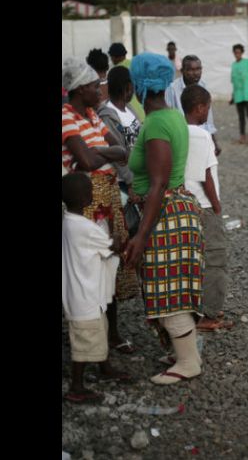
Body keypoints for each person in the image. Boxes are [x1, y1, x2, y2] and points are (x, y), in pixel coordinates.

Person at [125, 52, 204, 385]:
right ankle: (184, 353)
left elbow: (158, 182)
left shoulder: (157, 123)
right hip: (177, 210)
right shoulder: (172, 115)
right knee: (174, 286)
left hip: (165, 215)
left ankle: (188, 362)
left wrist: (141, 236)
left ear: (138, 84)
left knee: (167, 289)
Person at [62, 57, 140, 355]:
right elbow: (85, 161)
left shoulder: (93, 115)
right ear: (80, 89)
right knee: (91, 267)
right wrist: (105, 153)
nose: (100, 90)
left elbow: (123, 150)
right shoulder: (66, 116)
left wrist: (99, 152)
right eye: (96, 86)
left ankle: (110, 334)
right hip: (86, 200)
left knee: (111, 263)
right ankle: (93, 337)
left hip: (108, 196)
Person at [62, 173, 131, 403]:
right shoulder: (84, 227)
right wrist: (116, 235)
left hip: (80, 294)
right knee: (85, 342)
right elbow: (112, 247)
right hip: (86, 297)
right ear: (85, 199)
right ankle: (76, 387)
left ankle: (105, 367)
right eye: (91, 191)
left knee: (98, 331)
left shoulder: (68, 221)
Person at [182, 84, 234, 333]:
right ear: (200, 108)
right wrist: (217, 205)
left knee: (195, 258)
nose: (208, 113)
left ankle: (197, 307)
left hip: (188, 203)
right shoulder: (202, 136)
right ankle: (210, 314)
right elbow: (206, 176)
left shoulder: (180, 131)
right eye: (208, 108)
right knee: (215, 259)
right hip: (205, 204)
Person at [97, 66, 142, 201]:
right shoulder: (108, 116)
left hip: (139, 176)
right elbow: (117, 153)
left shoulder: (128, 108)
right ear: (127, 87)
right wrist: (130, 182)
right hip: (125, 182)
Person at [166, 55, 220, 156]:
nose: (196, 73)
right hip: (182, 139)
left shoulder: (203, 86)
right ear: (182, 71)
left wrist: (214, 142)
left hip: (202, 138)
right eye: (191, 70)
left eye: (198, 69)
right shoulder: (172, 89)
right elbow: (169, 117)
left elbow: (209, 119)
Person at [108, 42, 146, 122]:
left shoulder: (116, 72)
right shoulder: (135, 65)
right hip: (143, 110)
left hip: (129, 112)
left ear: (114, 57)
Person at [231, 43, 248, 146]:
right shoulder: (233, 65)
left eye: (239, 52)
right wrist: (233, 96)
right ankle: (242, 137)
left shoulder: (247, 63)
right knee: (241, 117)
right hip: (238, 95)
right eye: (235, 53)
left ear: (242, 53)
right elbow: (234, 82)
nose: (237, 54)